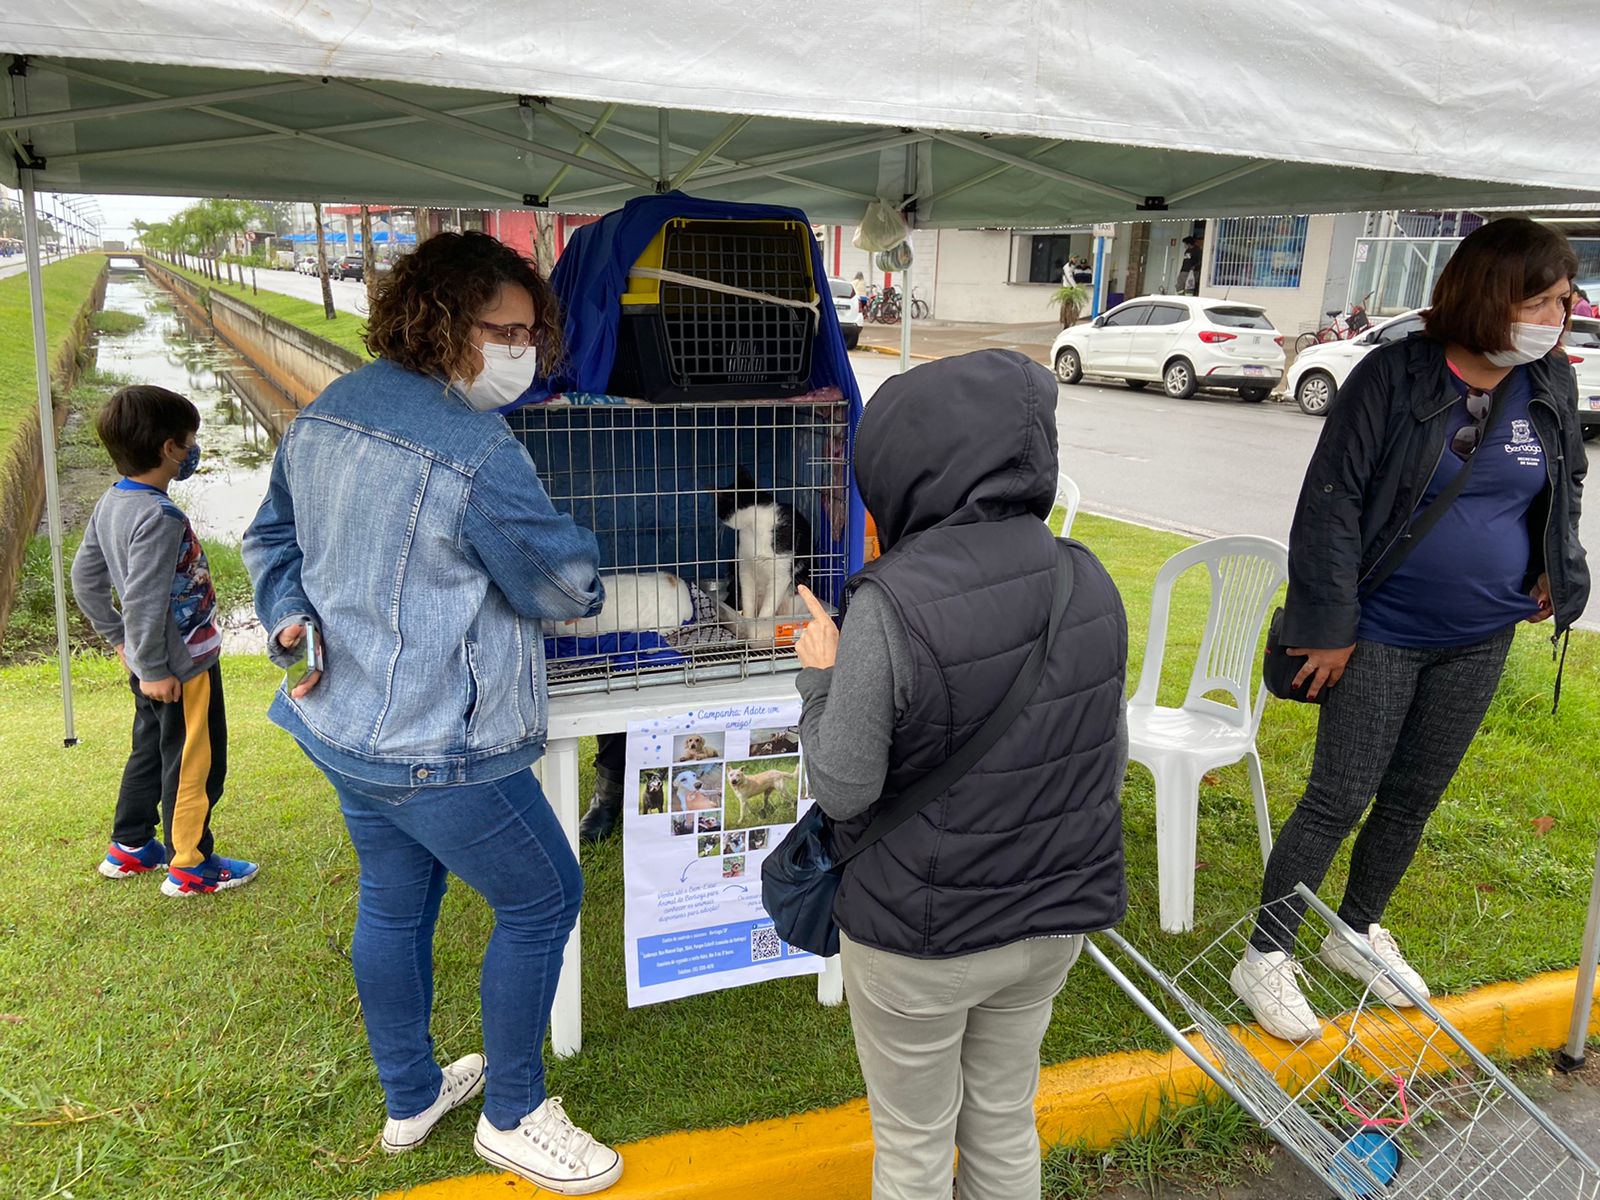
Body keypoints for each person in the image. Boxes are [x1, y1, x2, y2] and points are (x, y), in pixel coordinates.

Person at [243, 231, 623, 1193]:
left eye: (532, 331)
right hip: (439, 744)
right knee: (543, 899)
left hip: (339, 719)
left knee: (395, 898)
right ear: (444, 321)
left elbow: (269, 536)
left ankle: (411, 1094)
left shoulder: (332, 405)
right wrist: (583, 553)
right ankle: (515, 1112)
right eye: (505, 329)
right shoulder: (477, 449)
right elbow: (558, 582)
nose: (523, 350)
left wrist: (289, 616)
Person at [1231, 218, 1590, 1043]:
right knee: (1339, 795)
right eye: (1537, 300)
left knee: (1415, 796)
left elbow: (1562, 482)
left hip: (1482, 631)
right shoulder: (1394, 376)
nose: (1554, 318)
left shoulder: (1551, 380)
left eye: (1562, 301)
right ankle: (1266, 953)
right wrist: (1329, 626)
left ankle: (1354, 930)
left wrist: (1551, 564)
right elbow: (1332, 504)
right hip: (1381, 628)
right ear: (1486, 295)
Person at [792, 349, 1129, 1200]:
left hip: (923, 936)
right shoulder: (1084, 576)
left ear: (908, 462)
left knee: (912, 1148)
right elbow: (1104, 759)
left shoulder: (889, 602)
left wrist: (821, 672)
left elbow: (843, 788)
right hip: (1053, 919)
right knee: (1005, 1116)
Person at [71, 385, 258, 897]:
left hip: (149, 661)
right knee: (196, 761)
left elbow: (84, 579)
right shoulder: (160, 517)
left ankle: (130, 847)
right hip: (181, 666)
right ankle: (191, 866)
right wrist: (153, 667)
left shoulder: (113, 501)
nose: (195, 448)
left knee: (151, 750)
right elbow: (144, 600)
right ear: (170, 449)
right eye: (191, 439)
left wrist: (122, 644)